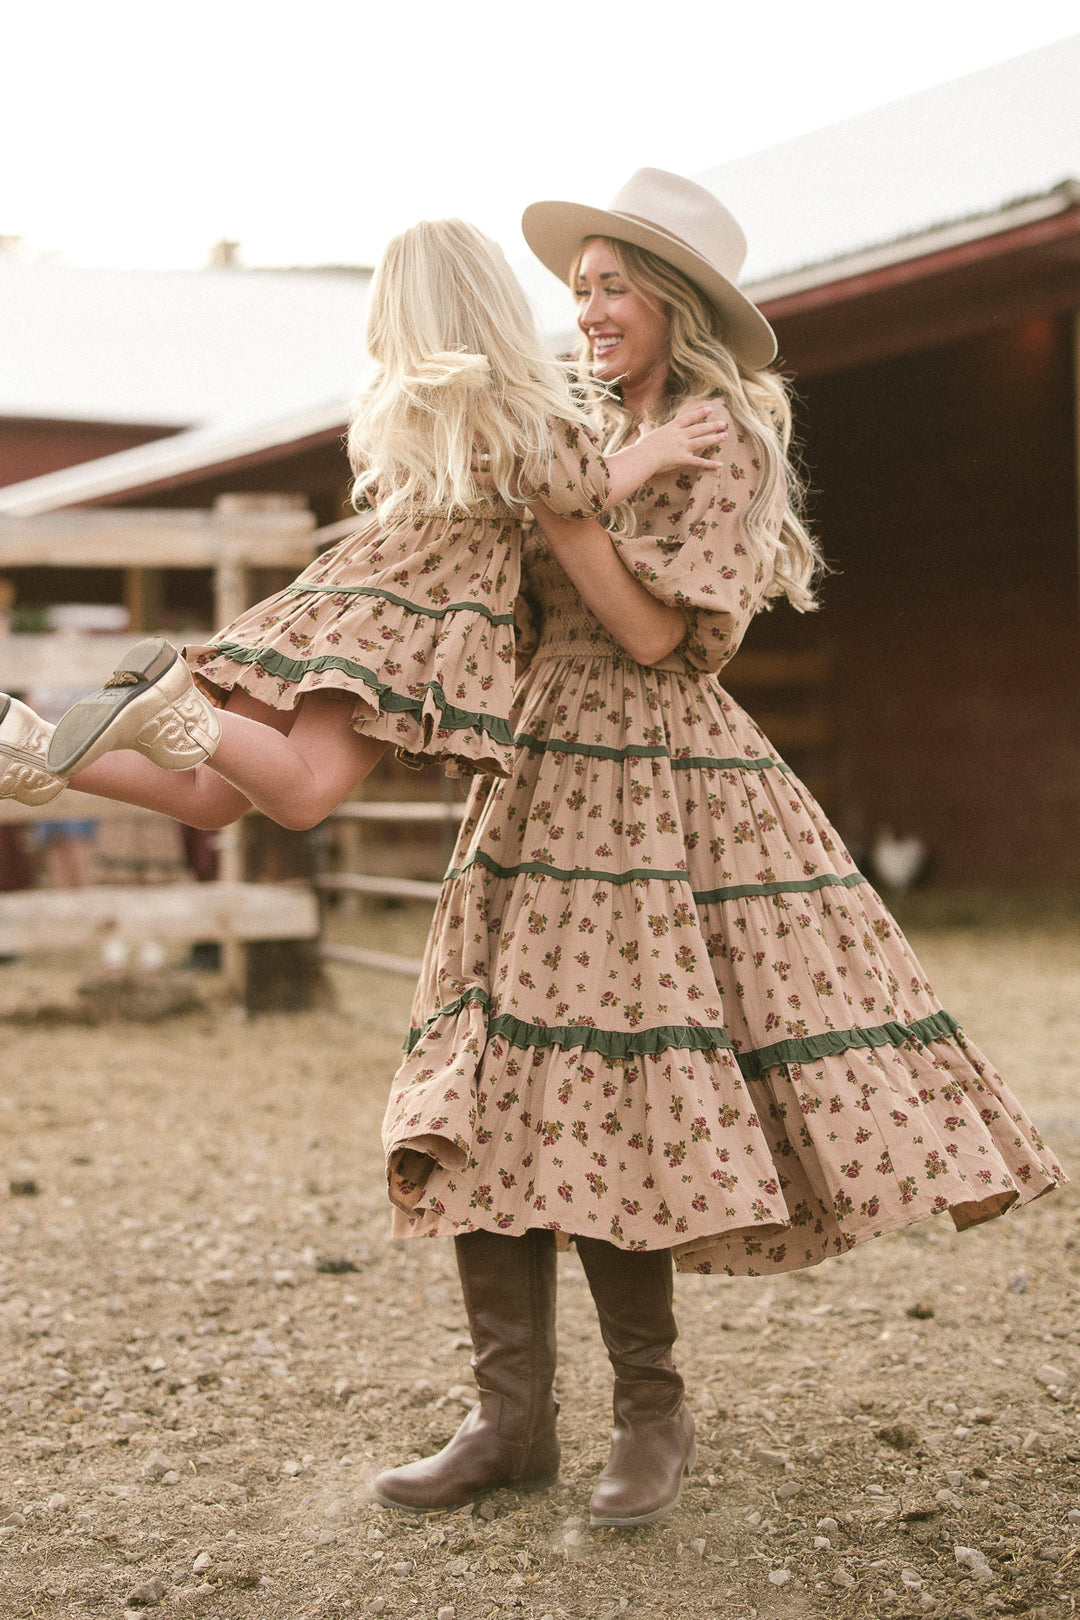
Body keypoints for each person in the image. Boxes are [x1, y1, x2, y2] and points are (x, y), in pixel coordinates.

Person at [372, 170, 1064, 1528]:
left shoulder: (724, 437)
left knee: (613, 1090)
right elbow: (493, 574)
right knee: (490, 1078)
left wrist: (568, 506)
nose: (589, 312)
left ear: (674, 301)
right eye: (578, 291)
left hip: (651, 789)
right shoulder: (574, 427)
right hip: (533, 782)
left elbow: (648, 636)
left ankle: (651, 1414)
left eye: (613, 286)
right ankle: (507, 1418)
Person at [0, 218, 726, 831]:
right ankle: (170, 708)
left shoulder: (401, 403)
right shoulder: (525, 404)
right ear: (495, 302)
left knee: (211, 800)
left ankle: (34, 747)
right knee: (307, 795)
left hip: (326, 606)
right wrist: (653, 449)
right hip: (404, 623)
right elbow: (579, 494)